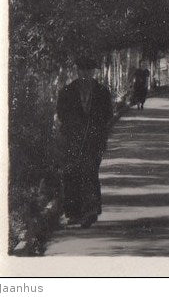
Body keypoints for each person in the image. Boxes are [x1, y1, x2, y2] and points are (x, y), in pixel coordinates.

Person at [56, 57, 114, 228]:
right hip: (72, 140)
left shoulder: (102, 92)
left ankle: (90, 211)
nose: (86, 74)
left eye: (89, 71)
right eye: (82, 70)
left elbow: (108, 115)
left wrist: (98, 130)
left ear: (93, 72)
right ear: (77, 71)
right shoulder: (66, 92)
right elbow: (61, 114)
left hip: (93, 141)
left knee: (89, 173)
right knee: (72, 174)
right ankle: (74, 213)